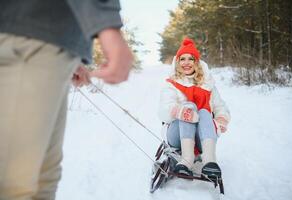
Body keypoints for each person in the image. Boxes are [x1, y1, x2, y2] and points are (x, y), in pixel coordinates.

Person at [0, 0, 133, 199]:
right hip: (30, 34)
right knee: (14, 184)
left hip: (53, 44)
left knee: (42, 182)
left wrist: (73, 56)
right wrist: (107, 26)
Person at [158, 37, 230, 179]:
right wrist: (183, 112)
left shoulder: (208, 85)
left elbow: (220, 107)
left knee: (204, 112)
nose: (186, 63)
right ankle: (186, 160)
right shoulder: (171, 84)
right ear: (177, 62)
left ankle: (210, 161)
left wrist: (220, 120)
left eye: (190, 59)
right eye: (182, 59)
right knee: (188, 106)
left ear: (196, 62)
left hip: (203, 136)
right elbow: (163, 110)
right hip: (177, 135)